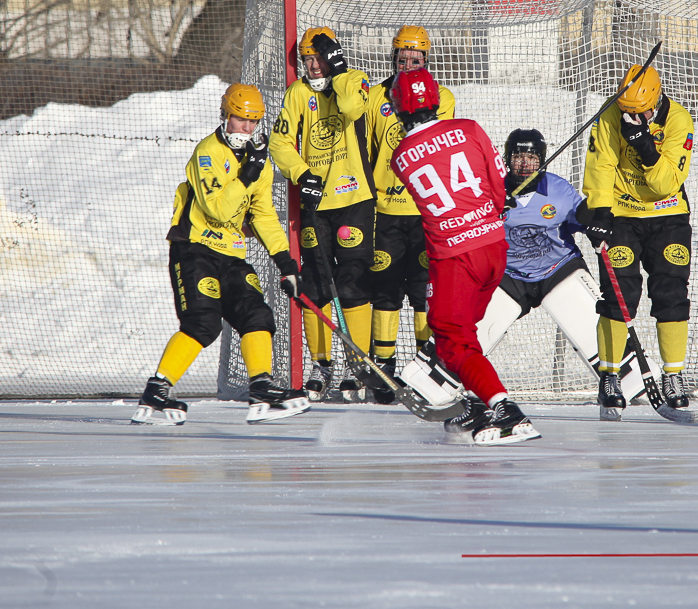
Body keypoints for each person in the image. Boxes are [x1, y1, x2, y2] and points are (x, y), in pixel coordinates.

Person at [405, 129, 646, 419]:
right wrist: (489, 209)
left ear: (542, 160)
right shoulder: (489, 189)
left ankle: (629, 382)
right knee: (472, 329)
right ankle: (430, 383)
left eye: (531, 158)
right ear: (507, 159)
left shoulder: (559, 190)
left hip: (558, 269)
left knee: (591, 326)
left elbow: (585, 220)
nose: (524, 164)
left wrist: (596, 226)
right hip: (509, 275)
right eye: (518, 157)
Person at [133, 84, 309, 425]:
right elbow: (218, 211)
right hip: (194, 249)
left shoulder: (259, 162)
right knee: (203, 323)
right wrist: (246, 177)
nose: (245, 128)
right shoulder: (207, 153)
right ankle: (157, 390)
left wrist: (286, 264)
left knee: (257, 314)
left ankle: (261, 388)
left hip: (230, 254)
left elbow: (263, 216)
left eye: (252, 121)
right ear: (224, 115)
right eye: (239, 119)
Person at [388, 67, 540, 445]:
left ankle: (506, 411)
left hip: (455, 257)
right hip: (493, 249)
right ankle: (475, 401)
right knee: (460, 339)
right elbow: (495, 187)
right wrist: (497, 203)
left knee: (453, 339)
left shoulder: (401, 156)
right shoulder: (469, 128)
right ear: (435, 101)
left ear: (398, 108)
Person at [581, 64, 696, 415]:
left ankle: (673, 375)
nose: (633, 118)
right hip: (622, 216)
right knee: (619, 295)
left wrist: (646, 147)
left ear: (656, 99)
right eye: (627, 112)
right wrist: (599, 213)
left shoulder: (679, 120)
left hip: (668, 214)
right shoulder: (610, 115)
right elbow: (601, 165)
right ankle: (610, 376)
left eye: (641, 113)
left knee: (671, 293)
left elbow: (666, 183)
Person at [268, 26, 375, 402]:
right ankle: (323, 364)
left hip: (354, 197)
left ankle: (356, 365)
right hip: (316, 202)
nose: (312, 66)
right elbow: (280, 142)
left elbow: (350, 108)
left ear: (332, 57)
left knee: (352, 284)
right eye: (307, 60)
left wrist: (339, 69)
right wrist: (302, 174)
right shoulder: (298, 93)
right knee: (314, 284)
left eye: (318, 58)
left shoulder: (354, 81)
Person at [363, 25, 457, 403]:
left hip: (425, 212)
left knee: (423, 293)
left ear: (426, 60)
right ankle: (382, 370)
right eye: (402, 58)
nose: (407, 64)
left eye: (415, 59)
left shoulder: (444, 98)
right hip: (385, 211)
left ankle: (423, 368)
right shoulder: (374, 97)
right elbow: (367, 150)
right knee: (385, 292)